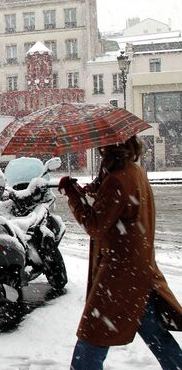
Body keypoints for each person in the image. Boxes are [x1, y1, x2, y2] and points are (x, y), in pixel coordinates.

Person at [59, 135, 182, 369]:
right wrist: (91, 188)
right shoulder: (134, 171)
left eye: (101, 146)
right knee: (155, 333)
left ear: (108, 148)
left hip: (119, 275)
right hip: (138, 270)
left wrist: (74, 197)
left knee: (92, 336)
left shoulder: (117, 180)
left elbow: (95, 224)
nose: (98, 149)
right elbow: (118, 203)